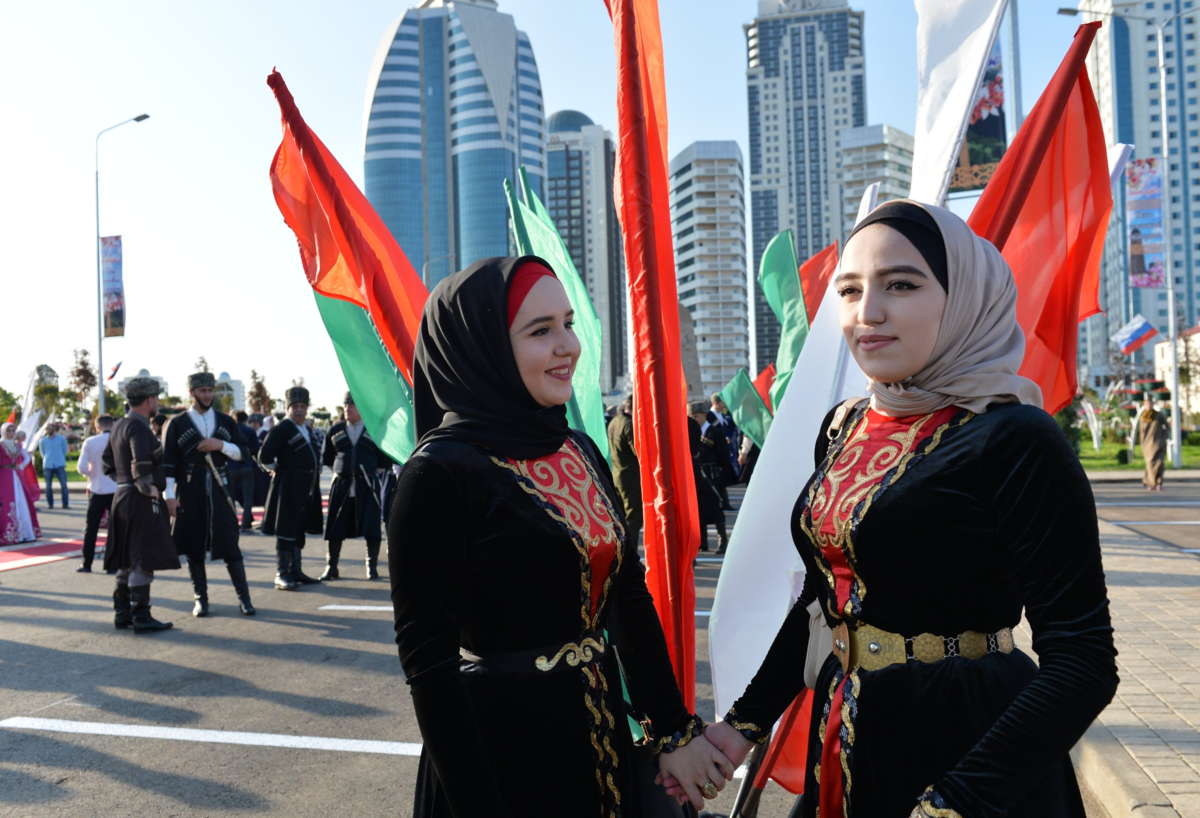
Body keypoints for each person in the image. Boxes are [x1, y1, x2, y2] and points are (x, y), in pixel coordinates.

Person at [669, 200, 1118, 817]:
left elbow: (1084, 661)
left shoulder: (1015, 437)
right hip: (850, 745)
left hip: (970, 754)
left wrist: (956, 803)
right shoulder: (845, 426)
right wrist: (737, 728)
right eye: (849, 291)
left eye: (900, 285)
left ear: (961, 296)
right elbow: (823, 607)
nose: (868, 314)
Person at [389, 256, 733, 816]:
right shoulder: (439, 474)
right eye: (540, 330)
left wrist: (674, 731)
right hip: (502, 762)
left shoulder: (578, 448)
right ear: (484, 349)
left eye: (568, 323)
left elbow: (627, 596)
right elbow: (430, 668)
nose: (568, 345)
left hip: (600, 743)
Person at [162, 373, 255, 617]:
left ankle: (244, 599)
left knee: (230, 544)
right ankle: (200, 599)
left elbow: (244, 452)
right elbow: (168, 463)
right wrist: (169, 495)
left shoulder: (225, 422)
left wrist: (220, 446)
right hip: (189, 488)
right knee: (194, 546)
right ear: (191, 393)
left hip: (219, 487)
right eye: (202, 391)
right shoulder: (177, 423)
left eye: (210, 390)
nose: (207, 395)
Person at [101, 378, 179, 633]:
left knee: (127, 557)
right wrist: (149, 488)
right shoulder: (139, 428)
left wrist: (124, 482)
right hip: (138, 498)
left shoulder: (118, 425)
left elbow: (107, 464)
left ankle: (123, 614)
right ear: (149, 400)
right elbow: (140, 461)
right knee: (141, 558)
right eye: (156, 398)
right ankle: (141, 616)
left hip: (122, 497)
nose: (157, 402)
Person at [320, 392, 393, 580]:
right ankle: (331, 566)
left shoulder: (375, 431)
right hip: (342, 485)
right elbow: (327, 457)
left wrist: (367, 474)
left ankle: (372, 566)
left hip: (367, 485)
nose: (347, 409)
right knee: (335, 527)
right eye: (345, 406)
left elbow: (383, 461)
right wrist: (341, 472)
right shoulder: (335, 431)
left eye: (351, 406)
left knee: (371, 527)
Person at [258, 386, 324, 591]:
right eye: (295, 406)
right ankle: (282, 573)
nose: (299, 410)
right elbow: (264, 457)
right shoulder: (282, 428)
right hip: (288, 486)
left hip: (306, 488)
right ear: (288, 408)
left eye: (303, 406)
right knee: (285, 529)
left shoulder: (307, 429)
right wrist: (279, 470)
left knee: (298, 528)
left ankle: (296, 570)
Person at [75, 415, 117, 572]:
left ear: (97, 426)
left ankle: (87, 563)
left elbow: (81, 467)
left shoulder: (90, 442)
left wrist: (91, 473)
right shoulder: (119, 440)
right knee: (115, 528)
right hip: (115, 488)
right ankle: (112, 564)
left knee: (91, 527)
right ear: (112, 425)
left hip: (97, 488)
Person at [688, 401, 728, 554]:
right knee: (698, 509)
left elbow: (723, 456)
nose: (692, 419)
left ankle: (722, 540)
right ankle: (702, 542)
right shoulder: (689, 431)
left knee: (715, 509)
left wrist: (717, 471)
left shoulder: (714, 432)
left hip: (711, 475)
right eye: (690, 416)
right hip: (696, 476)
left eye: (695, 416)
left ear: (704, 415)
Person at [606, 396, 642, 547]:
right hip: (631, 479)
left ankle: (621, 552)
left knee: (621, 519)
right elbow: (639, 453)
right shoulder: (630, 425)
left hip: (617, 476)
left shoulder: (615, 421)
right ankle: (629, 555)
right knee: (634, 519)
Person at [1, 422, 40, 544]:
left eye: (13, 430)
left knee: (21, 502)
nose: (11, 433)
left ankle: (23, 533)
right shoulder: (1, 445)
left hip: (15, 476)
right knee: (7, 503)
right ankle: (9, 534)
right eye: (9, 431)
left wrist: (21, 466)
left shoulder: (17, 445)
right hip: (3, 476)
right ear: (3, 431)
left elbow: (27, 458)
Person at [228, 410, 259, 531]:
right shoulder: (250, 431)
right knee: (248, 497)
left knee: (230, 496)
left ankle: (232, 521)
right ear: (246, 420)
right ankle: (246, 523)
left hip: (231, 466)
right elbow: (256, 449)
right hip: (247, 466)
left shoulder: (230, 430)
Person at [709, 393, 740, 508]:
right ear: (716, 403)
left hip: (722, 452)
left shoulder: (723, 415)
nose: (724, 405)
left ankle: (725, 503)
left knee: (723, 480)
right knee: (716, 481)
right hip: (714, 454)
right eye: (722, 402)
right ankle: (719, 504)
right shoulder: (708, 416)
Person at [1138, 395, 1169, 491]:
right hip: (1147, 444)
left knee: (1159, 463)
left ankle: (1159, 482)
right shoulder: (1143, 416)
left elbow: (1167, 427)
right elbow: (1141, 432)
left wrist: (1164, 437)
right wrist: (1141, 443)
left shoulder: (1159, 415)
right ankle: (1151, 483)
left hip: (1158, 443)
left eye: (1150, 403)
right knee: (1150, 464)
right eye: (1147, 403)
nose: (1148, 405)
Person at [38, 423, 69, 510]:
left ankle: (65, 504)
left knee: (64, 485)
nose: (48, 430)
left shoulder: (61, 439)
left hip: (59, 464)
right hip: (48, 464)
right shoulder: (43, 441)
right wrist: (48, 458)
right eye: (47, 429)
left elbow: (64, 450)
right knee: (48, 486)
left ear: (54, 429)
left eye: (50, 428)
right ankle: (50, 504)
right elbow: (42, 453)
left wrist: (59, 457)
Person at [15, 430, 40, 504]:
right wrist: (21, 466)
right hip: (20, 468)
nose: (25, 437)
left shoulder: (19, 445)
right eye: (24, 436)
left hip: (21, 468)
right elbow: (25, 457)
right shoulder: (17, 445)